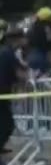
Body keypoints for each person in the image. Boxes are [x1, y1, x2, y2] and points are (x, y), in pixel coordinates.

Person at [0, 24, 28, 156]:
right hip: (2, 94)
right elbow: (19, 74)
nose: (25, 41)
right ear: (15, 39)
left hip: (4, 93)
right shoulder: (8, 53)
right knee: (6, 124)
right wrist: (31, 77)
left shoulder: (4, 52)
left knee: (5, 123)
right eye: (23, 38)